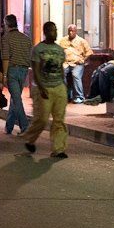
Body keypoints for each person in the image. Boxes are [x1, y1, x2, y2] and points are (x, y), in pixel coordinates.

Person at [22, 21, 69, 157]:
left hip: (59, 87)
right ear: (45, 32)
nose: (54, 33)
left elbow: (60, 68)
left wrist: (63, 86)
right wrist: (40, 87)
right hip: (44, 87)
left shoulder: (60, 50)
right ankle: (30, 140)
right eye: (51, 30)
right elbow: (35, 70)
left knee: (59, 120)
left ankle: (59, 149)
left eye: (55, 30)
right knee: (41, 119)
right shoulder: (38, 49)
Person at [0, 14, 32, 135]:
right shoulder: (26, 38)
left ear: (7, 25)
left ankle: (25, 126)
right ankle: (9, 126)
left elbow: (5, 58)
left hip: (12, 70)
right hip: (24, 70)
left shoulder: (6, 39)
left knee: (17, 99)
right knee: (15, 97)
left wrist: (5, 76)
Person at [58, 24, 92, 103]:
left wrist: (82, 60)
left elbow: (89, 52)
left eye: (72, 31)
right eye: (69, 31)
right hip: (65, 63)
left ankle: (80, 97)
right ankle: (65, 95)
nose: (70, 33)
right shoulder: (63, 41)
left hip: (77, 63)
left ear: (76, 31)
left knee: (76, 75)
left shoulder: (81, 41)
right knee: (62, 74)